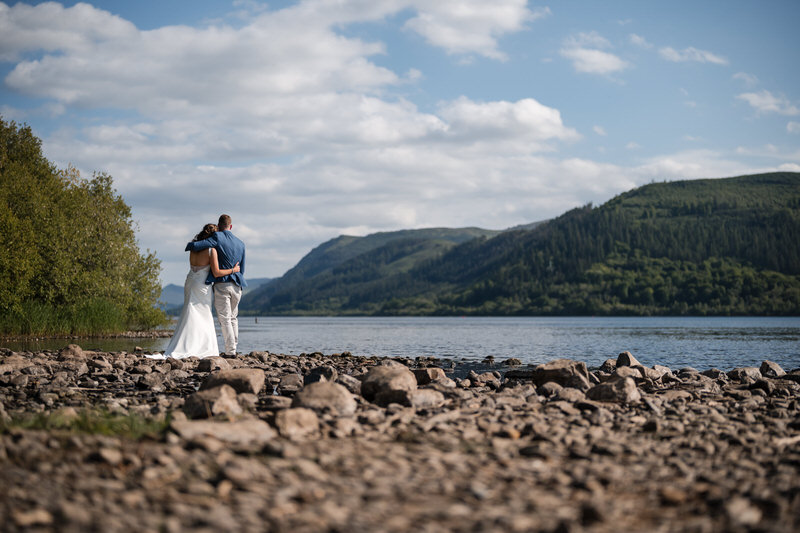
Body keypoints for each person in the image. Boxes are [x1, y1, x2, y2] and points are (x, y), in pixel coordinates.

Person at [160, 223, 240, 359]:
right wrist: (234, 270)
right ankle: (202, 346)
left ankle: (185, 344)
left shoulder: (194, 249)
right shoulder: (211, 250)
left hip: (190, 281)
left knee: (189, 310)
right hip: (202, 284)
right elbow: (217, 272)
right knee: (203, 313)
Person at [185, 214, 247, 356]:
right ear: (231, 226)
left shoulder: (217, 237)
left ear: (219, 227)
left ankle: (231, 351)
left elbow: (196, 246)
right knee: (233, 318)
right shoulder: (241, 243)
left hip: (222, 284)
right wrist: (235, 274)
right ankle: (234, 347)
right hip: (237, 285)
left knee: (225, 319)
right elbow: (242, 269)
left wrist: (190, 245)